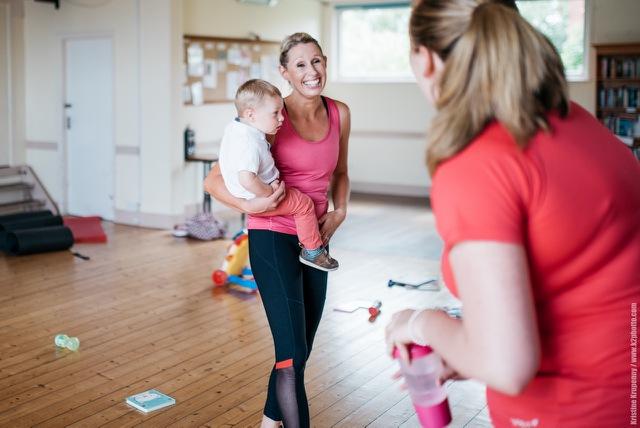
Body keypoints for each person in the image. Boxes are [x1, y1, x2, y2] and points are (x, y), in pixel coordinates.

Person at [385, 1, 640, 427]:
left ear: (425, 59)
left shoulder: (477, 164)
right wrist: (470, 349)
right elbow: (581, 287)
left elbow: (507, 366)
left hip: (573, 409)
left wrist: (420, 322)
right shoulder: (577, 123)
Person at [205, 32, 350, 428]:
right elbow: (215, 180)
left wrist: (340, 212)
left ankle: (269, 423)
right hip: (271, 235)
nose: (311, 71)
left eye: (317, 61)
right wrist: (251, 204)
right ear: (284, 72)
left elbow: (341, 172)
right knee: (290, 352)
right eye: (300, 64)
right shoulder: (267, 113)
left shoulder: (339, 112)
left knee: (299, 348)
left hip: (316, 241)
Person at [218, 78, 339, 272]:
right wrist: (268, 193)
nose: (282, 118)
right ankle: (312, 251)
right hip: (260, 195)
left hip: (248, 194)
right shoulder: (250, 142)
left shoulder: (236, 129)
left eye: (281, 111)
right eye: (275, 113)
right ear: (251, 114)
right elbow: (246, 178)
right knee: (304, 204)